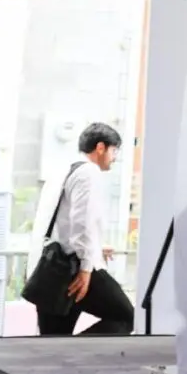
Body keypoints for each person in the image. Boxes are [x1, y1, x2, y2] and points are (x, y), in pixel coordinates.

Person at [32, 123, 135, 336]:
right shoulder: (88, 173)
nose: (114, 157)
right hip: (75, 269)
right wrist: (87, 266)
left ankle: (69, 356)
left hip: (49, 268)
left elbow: (61, 224)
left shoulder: (64, 169)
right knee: (126, 316)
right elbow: (82, 223)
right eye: (114, 151)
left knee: (53, 340)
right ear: (100, 147)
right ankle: (77, 354)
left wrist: (95, 247)